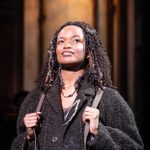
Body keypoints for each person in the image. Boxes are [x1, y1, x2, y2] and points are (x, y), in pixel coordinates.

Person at [11, 21, 144, 150]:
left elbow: (134, 146)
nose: (67, 45)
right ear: (54, 52)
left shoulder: (108, 98)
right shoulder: (35, 98)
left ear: (88, 52)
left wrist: (99, 133)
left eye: (76, 40)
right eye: (61, 41)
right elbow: (16, 143)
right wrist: (28, 137)